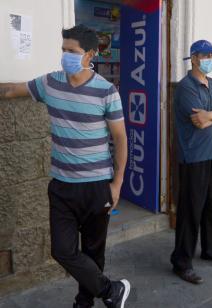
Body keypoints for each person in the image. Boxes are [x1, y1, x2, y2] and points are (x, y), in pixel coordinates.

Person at [0, 24, 130, 307]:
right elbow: (11, 91)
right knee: (62, 250)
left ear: (90, 55)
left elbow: (120, 140)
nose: (66, 56)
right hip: (61, 187)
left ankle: (84, 302)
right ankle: (111, 290)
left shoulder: (106, 91)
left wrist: (117, 184)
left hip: (97, 186)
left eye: (73, 51)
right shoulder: (50, 83)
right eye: (63, 51)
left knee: (94, 251)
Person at [171, 40, 212, 285]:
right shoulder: (186, 87)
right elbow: (197, 122)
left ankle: (211, 249)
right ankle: (181, 262)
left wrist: (210, 115)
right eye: (206, 55)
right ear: (195, 58)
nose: (210, 59)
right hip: (194, 157)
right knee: (190, 211)